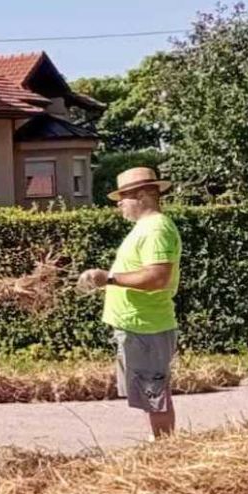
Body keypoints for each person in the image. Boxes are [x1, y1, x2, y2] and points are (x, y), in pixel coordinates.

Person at [78, 166, 182, 439]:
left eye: (123, 197)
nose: (119, 204)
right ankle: (160, 444)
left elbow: (158, 277)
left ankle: (164, 447)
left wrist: (109, 278)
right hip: (140, 325)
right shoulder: (146, 228)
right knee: (150, 393)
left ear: (144, 195)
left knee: (154, 391)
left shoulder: (156, 229)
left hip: (147, 326)